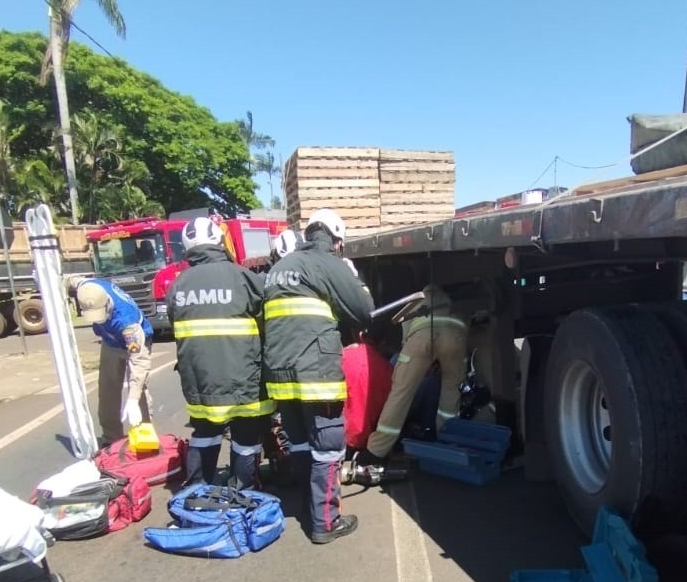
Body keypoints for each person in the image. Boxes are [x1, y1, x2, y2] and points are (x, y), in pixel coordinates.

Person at [263, 208, 373, 543]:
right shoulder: (327, 262)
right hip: (316, 371)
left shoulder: (280, 267)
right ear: (336, 240)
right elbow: (363, 310)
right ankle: (325, 522)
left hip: (280, 373)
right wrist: (353, 278)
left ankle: (304, 504)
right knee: (327, 443)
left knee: (298, 440)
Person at [166, 217, 273, 488]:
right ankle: (243, 497)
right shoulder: (243, 277)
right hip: (244, 379)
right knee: (246, 439)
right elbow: (267, 321)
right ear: (218, 241)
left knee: (205, 434)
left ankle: (197, 497)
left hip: (199, 382)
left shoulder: (177, 285)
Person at [361, 285, 469, 466]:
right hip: (454, 337)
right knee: (452, 389)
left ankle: (376, 451)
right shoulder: (453, 301)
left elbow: (407, 341)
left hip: (421, 338)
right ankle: (447, 440)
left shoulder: (416, 300)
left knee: (400, 392)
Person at [73, 277, 154, 447]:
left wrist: (131, 399)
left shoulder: (127, 322)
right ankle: (111, 439)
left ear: (107, 305)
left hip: (136, 343)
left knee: (138, 390)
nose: (98, 319)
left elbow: (139, 362)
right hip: (110, 342)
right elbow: (71, 281)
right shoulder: (88, 289)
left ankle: (145, 436)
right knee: (107, 389)